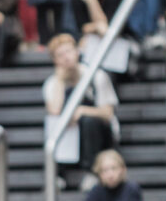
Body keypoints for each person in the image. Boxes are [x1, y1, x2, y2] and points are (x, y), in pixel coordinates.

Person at [43, 33, 119, 189]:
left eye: (69, 51)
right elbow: (54, 111)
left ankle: (91, 172)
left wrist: (82, 111)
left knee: (89, 121)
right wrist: (60, 80)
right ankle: (58, 174)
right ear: (54, 60)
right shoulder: (51, 84)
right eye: (60, 55)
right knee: (55, 124)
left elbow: (108, 113)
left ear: (77, 52)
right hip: (70, 135)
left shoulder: (96, 76)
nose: (66, 57)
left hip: (101, 132)